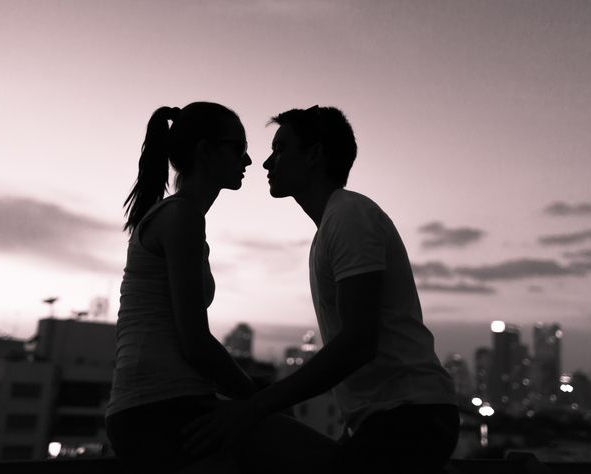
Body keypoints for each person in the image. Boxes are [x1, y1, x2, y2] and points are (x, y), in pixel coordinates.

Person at [184, 105, 459, 474]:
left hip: (412, 417)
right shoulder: (332, 226)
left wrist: (256, 406)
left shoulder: (349, 217)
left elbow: (358, 342)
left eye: (280, 149)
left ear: (314, 155)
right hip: (390, 420)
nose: (267, 163)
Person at [105, 102, 265, 473]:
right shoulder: (181, 216)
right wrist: (257, 395)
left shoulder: (180, 216)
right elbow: (194, 342)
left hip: (164, 404)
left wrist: (247, 385)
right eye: (238, 148)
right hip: (160, 409)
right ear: (205, 151)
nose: (249, 160)